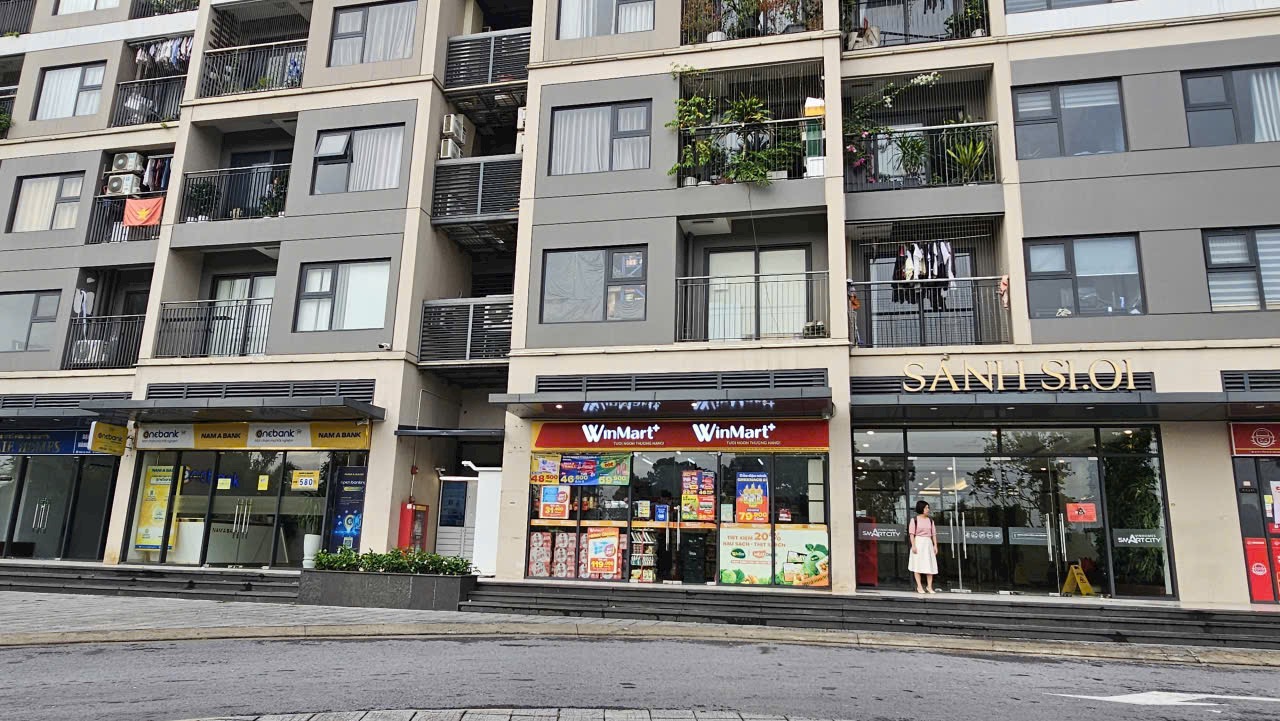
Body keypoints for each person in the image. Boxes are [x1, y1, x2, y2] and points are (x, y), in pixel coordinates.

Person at [907, 500, 939, 594]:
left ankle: (929, 586)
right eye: (926, 508)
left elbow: (934, 534)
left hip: (928, 543)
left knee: (929, 565)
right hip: (918, 542)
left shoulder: (930, 520)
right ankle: (919, 586)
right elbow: (911, 534)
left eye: (928, 507)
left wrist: (935, 545)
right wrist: (913, 545)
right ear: (921, 508)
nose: (928, 509)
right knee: (917, 565)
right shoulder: (914, 520)